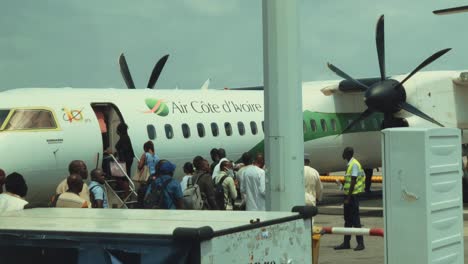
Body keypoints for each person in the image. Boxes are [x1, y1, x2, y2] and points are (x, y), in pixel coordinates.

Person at [334, 147, 365, 251]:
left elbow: (353, 181)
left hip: (353, 196)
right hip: (349, 195)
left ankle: (360, 243)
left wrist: (348, 197)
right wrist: (341, 185)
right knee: (347, 221)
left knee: (356, 220)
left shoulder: (354, 164)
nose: (342, 154)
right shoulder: (349, 164)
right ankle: (346, 243)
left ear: (348, 154)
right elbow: (349, 181)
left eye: (344, 152)